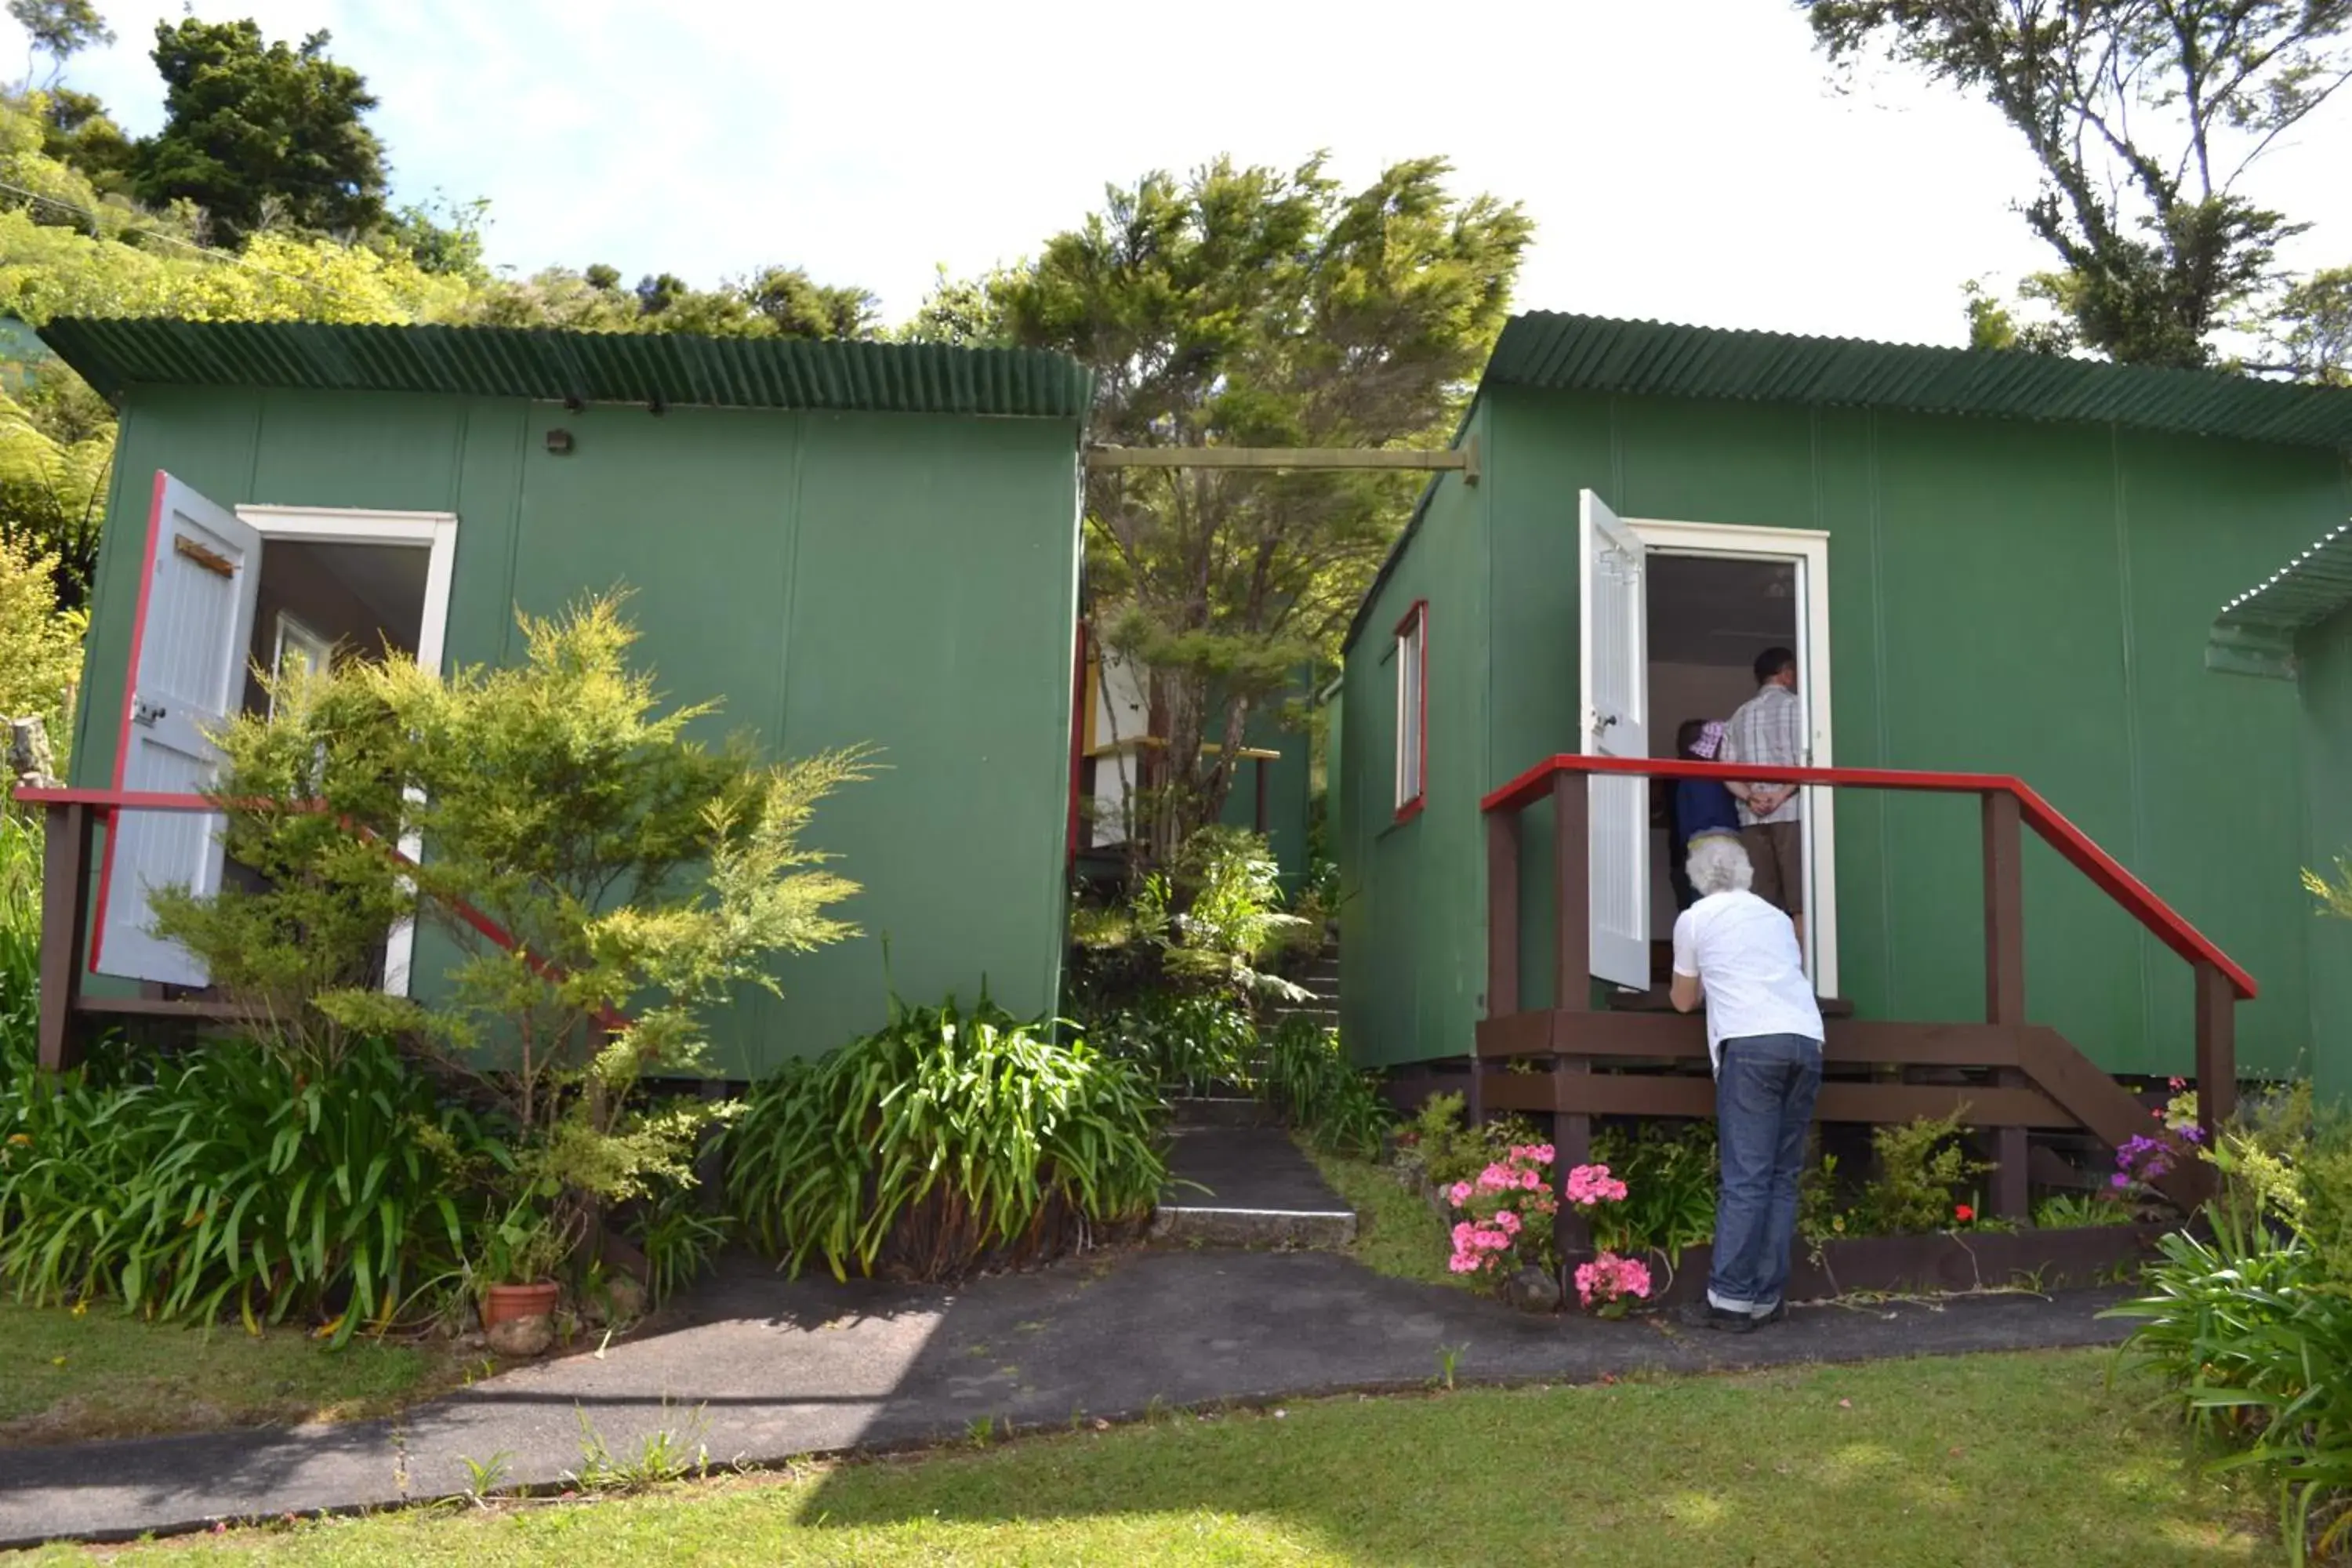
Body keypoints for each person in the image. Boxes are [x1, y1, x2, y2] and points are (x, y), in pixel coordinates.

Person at [1669, 834, 1824, 1333]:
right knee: (1781, 1176)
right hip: (1805, 1038)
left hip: (1752, 1044)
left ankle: (1730, 1301)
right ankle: (1765, 1296)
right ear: (1746, 874)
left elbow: (1682, 1001)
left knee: (1746, 1177)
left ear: (1697, 878)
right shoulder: (1777, 917)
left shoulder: (1695, 919)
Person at [1722, 646, 1805, 956]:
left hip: (1752, 818)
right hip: (1791, 813)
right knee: (1800, 902)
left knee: (1761, 904)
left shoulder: (1740, 715)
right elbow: (1808, 761)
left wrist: (1751, 796)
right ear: (1785, 673)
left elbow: (1726, 770)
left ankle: (1765, 968)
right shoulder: (1800, 709)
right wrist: (1781, 794)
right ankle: (1804, 974)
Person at [1666, 719, 1739, 911]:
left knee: (1701, 903)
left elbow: (1684, 819)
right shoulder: (1732, 779)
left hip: (1697, 843)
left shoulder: (1688, 778)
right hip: (1730, 842)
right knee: (1728, 902)